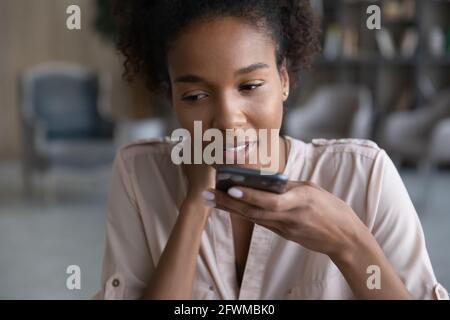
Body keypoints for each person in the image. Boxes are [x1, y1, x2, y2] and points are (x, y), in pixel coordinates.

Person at [94, 0, 448, 300]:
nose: (228, 120)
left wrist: (348, 242)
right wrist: (193, 208)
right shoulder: (140, 173)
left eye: (249, 86)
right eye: (195, 96)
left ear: (284, 81)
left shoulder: (364, 176)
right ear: (171, 96)